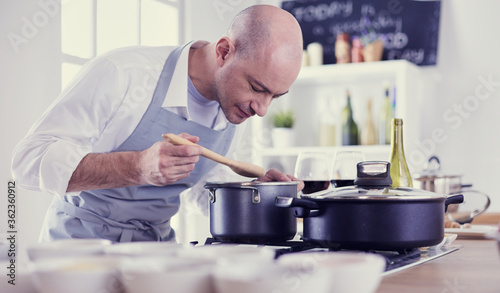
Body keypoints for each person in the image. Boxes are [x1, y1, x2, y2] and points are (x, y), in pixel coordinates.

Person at [11, 5, 304, 243]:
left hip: (155, 254)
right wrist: (137, 166)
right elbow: (27, 160)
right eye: (257, 88)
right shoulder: (122, 73)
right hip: (77, 251)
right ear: (224, 51)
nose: (263, 109)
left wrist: (252, 193)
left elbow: (201, 188)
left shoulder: (234, 104)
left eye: (275, 96)